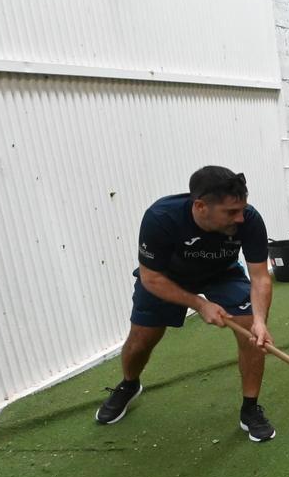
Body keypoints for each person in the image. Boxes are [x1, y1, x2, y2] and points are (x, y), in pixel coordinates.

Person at [95, 166, 277, 441]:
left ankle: (250, 409)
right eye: (230, 212)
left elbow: (260, 277)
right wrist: (200, 305)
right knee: (141, 340)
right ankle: (129, 384)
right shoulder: (161, 217)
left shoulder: (248, 220)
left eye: (242, 208)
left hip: (221, 274)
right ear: (201, 206)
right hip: (168, 277)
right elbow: (150, 277)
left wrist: (261, 321)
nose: (240, 218)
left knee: (251, 327)